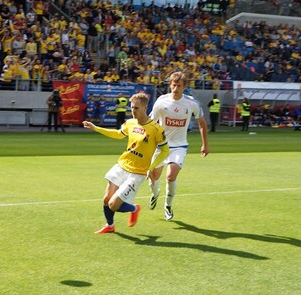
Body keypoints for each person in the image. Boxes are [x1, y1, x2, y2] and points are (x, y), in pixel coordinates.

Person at [83, 92, 169, 234]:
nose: (133, 111)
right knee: (106, 199)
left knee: (113, 204)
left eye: (136, 108)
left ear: (145, 108)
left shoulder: (156, 129)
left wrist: (151, 168)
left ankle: (134, 208)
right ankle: (109, 226)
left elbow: (165, 151)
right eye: (132, 108)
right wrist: (95, 128)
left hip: (137, 173)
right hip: (122, 165)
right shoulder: (130, 123)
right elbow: (118, 134)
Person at [147, 71, 209, 221]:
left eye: (179, 86)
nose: (175, 88)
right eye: (173, 85)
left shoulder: (191, 103)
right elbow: (151, 123)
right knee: (153, 177)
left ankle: (168, 206)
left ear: (184, 87)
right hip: (160, 146)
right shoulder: (161, 102)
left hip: (179, 146)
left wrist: (204, 145)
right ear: (170, 85)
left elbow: (202, 123)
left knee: (170, 175)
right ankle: (155, 194)